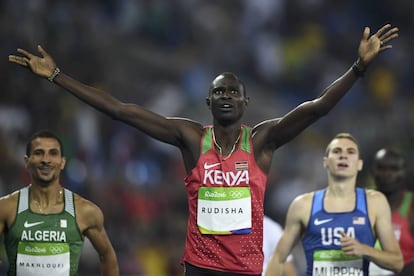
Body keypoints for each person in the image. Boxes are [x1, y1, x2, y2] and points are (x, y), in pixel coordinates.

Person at [8, 24, 398, 275]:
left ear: (245, 104)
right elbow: (120, 110)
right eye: (218, 92)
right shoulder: (192, 139)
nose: (225, 96)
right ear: (208, 103)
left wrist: (358, 69)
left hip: (246, 269)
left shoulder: (262, 141)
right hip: (199, 268)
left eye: (233, 91)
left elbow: (318, 107)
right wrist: (57, 77)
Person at [265, 133, 403, 276]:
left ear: (359, 164)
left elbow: (397, 262)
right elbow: (277, 259)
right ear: (325, 162)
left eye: (350, 152)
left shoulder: (375, 203)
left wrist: (364, 250)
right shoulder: (303, 205)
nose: (343, 156)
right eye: (337, 151)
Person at [0, 130, 119, 276]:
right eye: (38, 153)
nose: (46, 160)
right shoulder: (6, 208)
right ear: (27, 161)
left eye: (53, 153)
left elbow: (107, 256)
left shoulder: (85, 211)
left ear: (62, 162)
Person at [369, 148, 414, 276]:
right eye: (381, 168)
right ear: (373, 172)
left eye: (394, 169)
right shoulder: (358, 202)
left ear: (404, 172)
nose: (387, 174)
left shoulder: (412, 207)